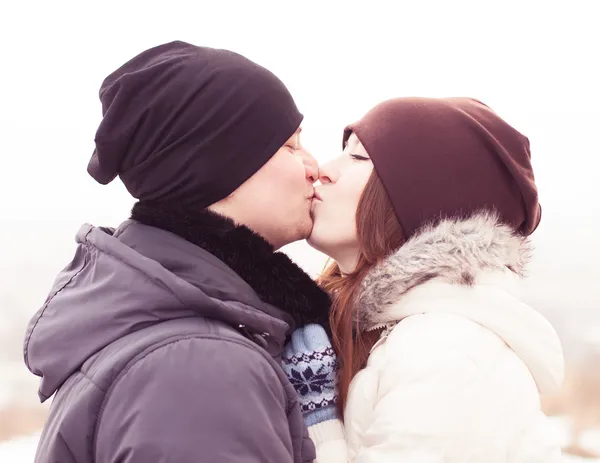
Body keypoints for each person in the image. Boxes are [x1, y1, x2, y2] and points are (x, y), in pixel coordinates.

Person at [24, 40, 330, 463]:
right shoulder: (201, 368)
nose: (315, 166)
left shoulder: (156, 328)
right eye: (290, 146)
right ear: (219, 164)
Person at [282, 97, 565, 462]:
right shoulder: (395, 332)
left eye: (357, 157)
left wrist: (320, 426)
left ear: (419, 198)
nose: (324, 170)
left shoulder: (446, 350)